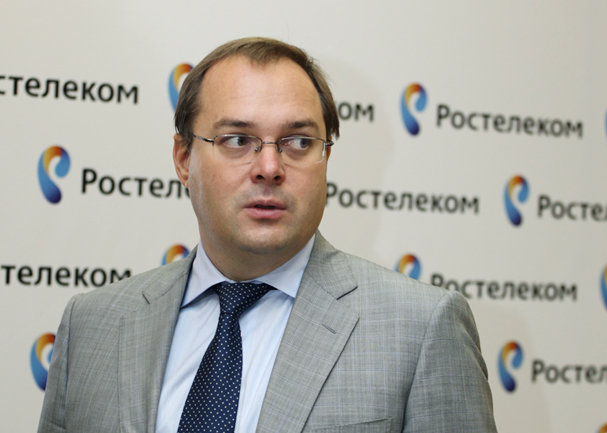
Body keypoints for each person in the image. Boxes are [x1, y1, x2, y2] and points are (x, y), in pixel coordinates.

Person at [38, 37, 497, 433]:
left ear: (326, 158)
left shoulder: (419, 328)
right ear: (183, 158)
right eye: (238, 140)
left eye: (299, 142)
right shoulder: (91, 325)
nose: (270, 167)